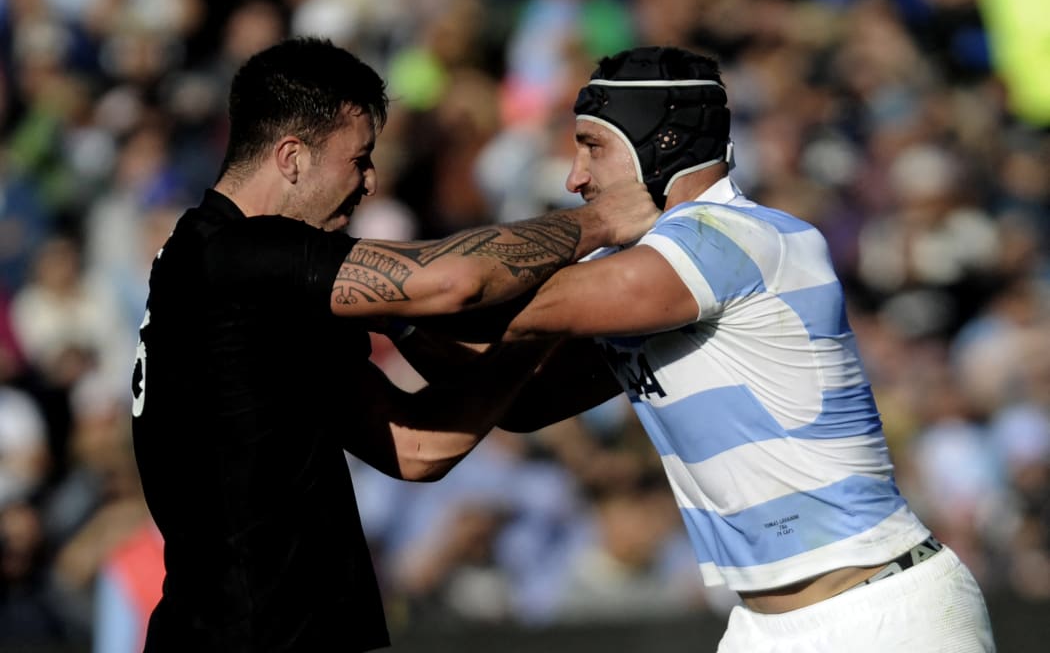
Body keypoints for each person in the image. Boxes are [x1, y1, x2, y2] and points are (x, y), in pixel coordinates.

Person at [396, 46, 996, 652]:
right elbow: (522, 398)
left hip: (881, 616)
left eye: (592, 145)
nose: (573, 177)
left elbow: (468, 294)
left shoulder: (732, 236)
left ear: (662, 142)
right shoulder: (654, 272)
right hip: (764, 626)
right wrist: (382, 321)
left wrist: (322, 276)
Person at [129, 37, 658, 653]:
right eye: (359, 159)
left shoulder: (256, 291)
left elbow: (416, 447)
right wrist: (602, 222)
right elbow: (451, 281)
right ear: (292, 157)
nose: (372, 183)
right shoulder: (232, 255)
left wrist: (550, 335)